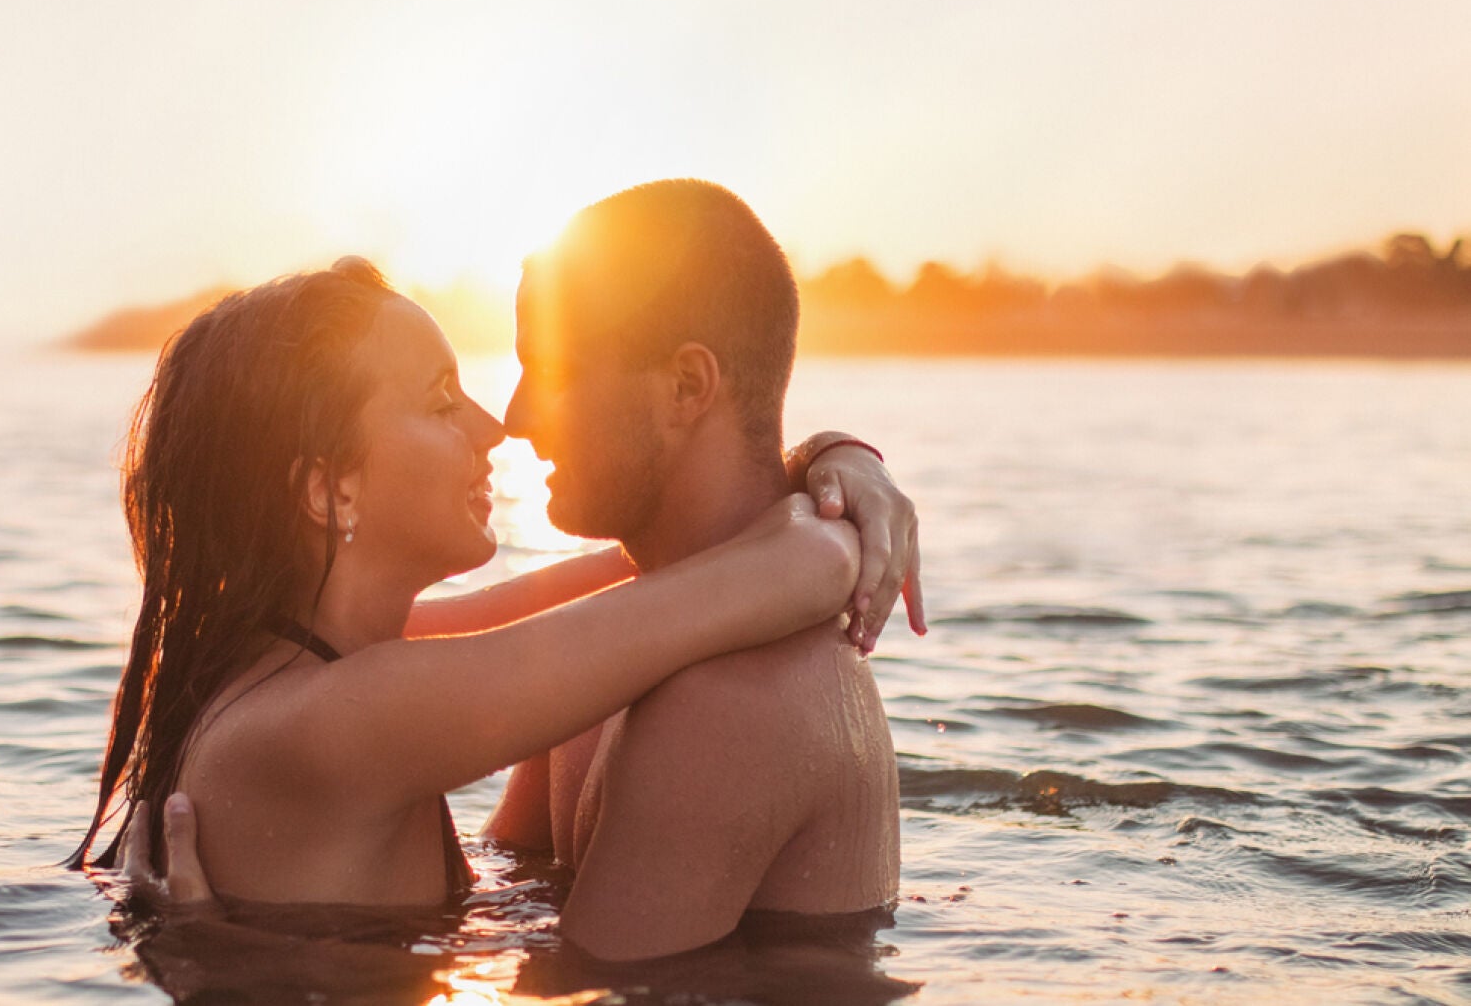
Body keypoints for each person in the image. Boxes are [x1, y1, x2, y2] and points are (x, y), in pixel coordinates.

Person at [133, 181, 923, 962]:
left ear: (687, 385)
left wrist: (825, 463)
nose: (504, 420)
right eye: (445, 401)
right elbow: (757, 573)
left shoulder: (685, 691)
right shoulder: (413, 698)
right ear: (326, 487)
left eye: (549, 367)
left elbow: (511, 907)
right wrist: (822, 539)